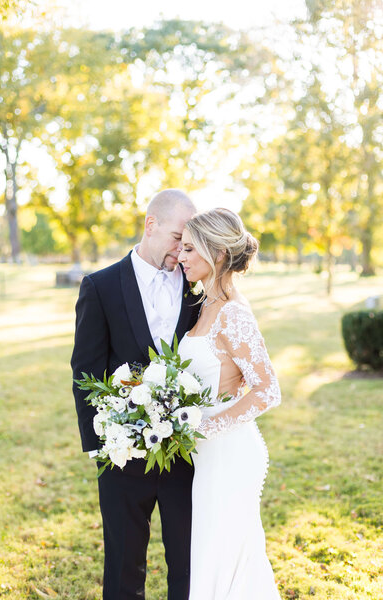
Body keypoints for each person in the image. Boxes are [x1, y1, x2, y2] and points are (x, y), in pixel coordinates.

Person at [71, 189, 199, 600]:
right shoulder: (101, 286)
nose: (183, 251)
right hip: (123, 457)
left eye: (189, 242)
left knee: (189, 564)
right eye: (178, 237)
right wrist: (104, 448)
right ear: (150, 225)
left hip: (187, 453)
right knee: (124, 567)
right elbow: (85, 371)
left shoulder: (197, 288)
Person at [178, 207, 282, 599]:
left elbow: (268, 389)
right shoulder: (203, 304)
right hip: (206, 456)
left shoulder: (234, 313)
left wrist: (204, 427)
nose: (181, 257)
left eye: (190, 248)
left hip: (230, 456)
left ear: (218, 253)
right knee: (212, 559)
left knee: (224, 560)